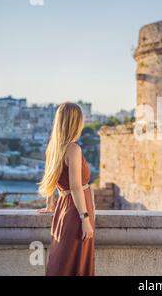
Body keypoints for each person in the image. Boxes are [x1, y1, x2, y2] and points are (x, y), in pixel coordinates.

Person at [38, 102, 95, 276]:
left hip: (63, 209)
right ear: (75, 121)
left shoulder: (53, 148)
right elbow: (76, 187)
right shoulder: (73, 149)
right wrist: (85, 219)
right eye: (81, 119)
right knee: (75, 263)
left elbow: (51, 180)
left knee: (62, 261)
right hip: (77, 211)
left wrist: (50, 205)